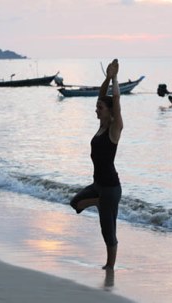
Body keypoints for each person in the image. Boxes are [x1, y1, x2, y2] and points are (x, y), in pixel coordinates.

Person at [69, 59, 123, 270]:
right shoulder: (101, 126)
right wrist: (107, 77)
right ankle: (97, 202)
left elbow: (115, 99)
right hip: (98, 186)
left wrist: (116, 78)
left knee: (108, 231)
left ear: (110, 111)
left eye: (99, 108)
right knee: (75, 203)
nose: (96, 110)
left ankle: (109, 267)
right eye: (96, 107)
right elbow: (104, 95)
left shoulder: (114, 128)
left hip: (110, 188)